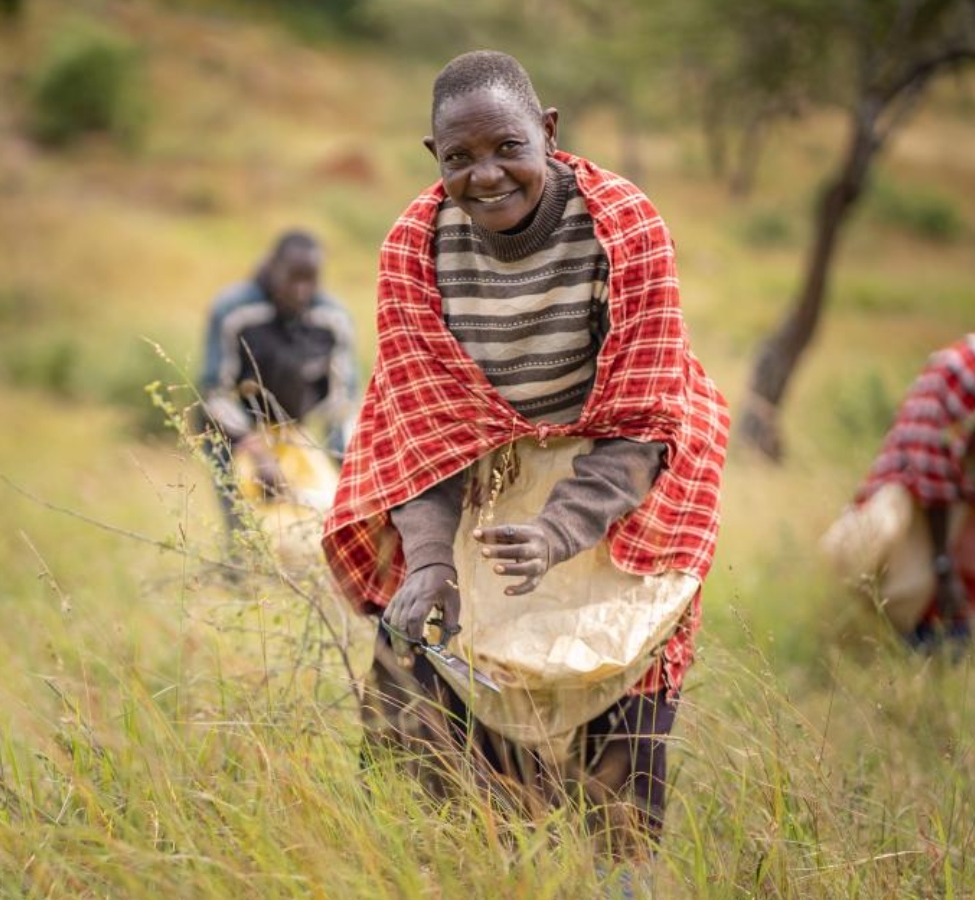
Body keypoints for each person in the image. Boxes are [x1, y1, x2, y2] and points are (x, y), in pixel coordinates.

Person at [322, 51, 729, 857]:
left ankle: (616, 872)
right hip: (479, 478)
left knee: (620, 688)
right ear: (433, 158)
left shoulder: (624, 224)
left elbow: (646, 415)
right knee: (423, 674)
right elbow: (420, 422)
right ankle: (455, 862)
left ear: (547, 132)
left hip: (623, 478)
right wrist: (431, 561)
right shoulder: (414, 244)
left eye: (508, 147)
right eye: (459, 158)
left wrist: (556, 532)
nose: (487, 174)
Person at [841, 332, 975, 653]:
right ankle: (918, 638)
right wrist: (943, 567)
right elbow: (932, 481)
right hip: (929, 481)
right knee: (918, 564)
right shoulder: (950, 388)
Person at [198, 229, 356, 531]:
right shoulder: (235, 311)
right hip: (232, 431)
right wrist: (256, 451)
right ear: (272, 268)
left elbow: (341, 402)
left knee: (315, 518)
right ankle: (239, 571)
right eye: (293, 278)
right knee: (245, 524)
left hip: (293, 430)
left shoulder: (332, 319)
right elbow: (215, 392)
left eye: (310, 279)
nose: (301, 291)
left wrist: (347, 462)